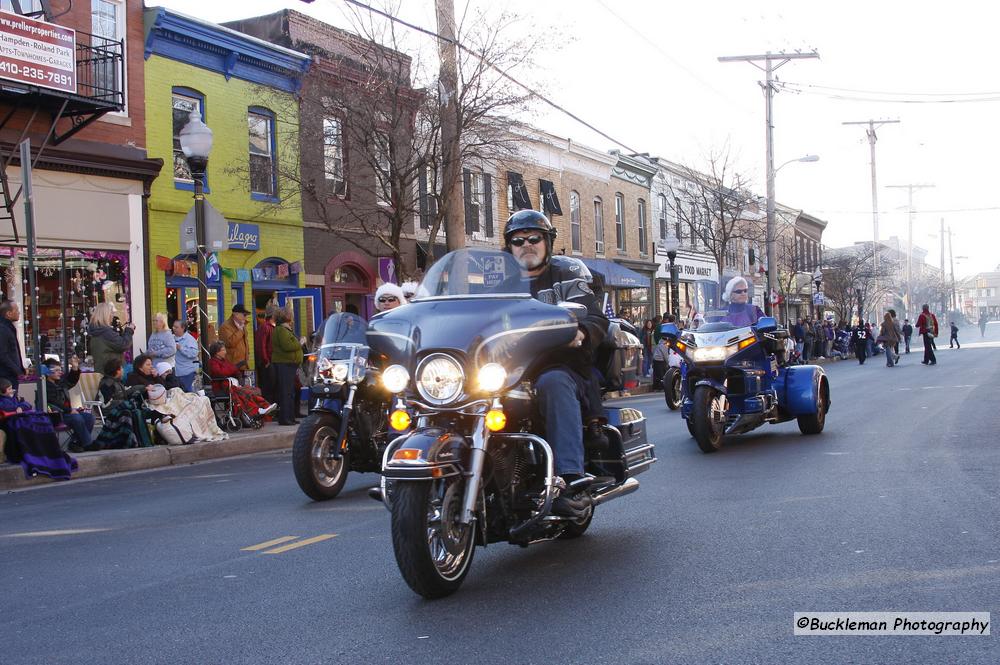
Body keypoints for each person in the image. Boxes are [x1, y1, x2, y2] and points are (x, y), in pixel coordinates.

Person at [503, 210, 609, 518]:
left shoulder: (566, 276)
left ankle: (571, 477)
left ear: (547, 242)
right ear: (509, 247)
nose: (527, 245)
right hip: (507, 370)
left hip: (562, 365)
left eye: (534, 239)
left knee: (553, 383)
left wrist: (581, 330)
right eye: (518, 240)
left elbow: (594, 316)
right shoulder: (496, 283)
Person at [207, 341, 277, 420]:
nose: (225, 352)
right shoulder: (212, 362)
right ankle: (258, 410)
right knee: (245, 393)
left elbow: (232, 370)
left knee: (252, 391)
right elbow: (221, 372)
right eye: (223, 350)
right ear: (217, 352)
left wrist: (238, 375)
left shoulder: (224, 361)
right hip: (222, 387)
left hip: (230, 385)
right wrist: (235, 367)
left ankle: (265, 407)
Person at [95, 358, 152, 450]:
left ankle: (139, 440)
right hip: (110, 410)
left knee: (139, 410)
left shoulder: (117, 382)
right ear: (117, 370)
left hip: (118, 408)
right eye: (121, 368)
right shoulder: (107, 384)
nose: (123, 370)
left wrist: (143, 388)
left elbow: (127, 391)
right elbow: (105, 404)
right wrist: (124, 403)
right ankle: (128, 441)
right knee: (129, 412)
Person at [42, 357, 97, 452]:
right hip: (57, 415)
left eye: (60, 369)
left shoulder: (59, 383)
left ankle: (75, 443)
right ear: (47, 372)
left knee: (89, 417)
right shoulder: (45, 386)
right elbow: (54, 402)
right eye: (56, 370)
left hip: (68, 413)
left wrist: (75, 368)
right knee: (77, 418)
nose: (60, 372)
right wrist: (70, 410)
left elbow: (71, 381)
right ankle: (88, 444)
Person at [271, 309, 303, 426]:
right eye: (291, 316)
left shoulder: (285, 329)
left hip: (290, 364)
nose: (293, 318)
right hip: (284, 364)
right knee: (286, 392)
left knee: (290, 392)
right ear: (287, 317)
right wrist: (300, 342)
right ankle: (285, 418)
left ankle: (291, 416)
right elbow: (287, 346)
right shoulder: (281, 330)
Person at [89, 302, 134, 379]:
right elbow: (124, 344)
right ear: (106, 315)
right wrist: (129, 331)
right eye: (111, 313)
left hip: (101, 371)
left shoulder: (94, 331)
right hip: (113, 373)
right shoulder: (106, 332)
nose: (112, 316)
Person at [0, 300, 25, 395]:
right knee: (9, 404)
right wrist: (16, 369)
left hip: (9, 374)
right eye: (17, 310)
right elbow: (2, 354)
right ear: (9, 314)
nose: (19, 312)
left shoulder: (8, 328)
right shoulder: (3, 329)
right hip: (6, 376)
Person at [218, 304, 251, 370]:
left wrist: (247, 354)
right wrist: (240, 330)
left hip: (243, 364)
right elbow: (230, 343)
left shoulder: (242, 325)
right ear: (236, 314)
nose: (246, 317)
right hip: (232, 365)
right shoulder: (225, 327)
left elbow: (244, 342)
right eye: (244, 315)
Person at [254, 305, 276, 404]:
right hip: (267, 363)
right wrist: (266, 361)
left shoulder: (272, 327)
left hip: (272, 361)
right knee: (268, 388)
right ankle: (268, 410)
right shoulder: (265, 327)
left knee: (272, 387)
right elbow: (261, 345)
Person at [172, 319, 199, 392]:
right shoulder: (171, 338)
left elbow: (194, 353)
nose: (174, 328)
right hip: (175, 372)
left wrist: (181, 348)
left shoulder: (190, 339)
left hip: (187, 372)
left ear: (183, 328)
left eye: (176, 327)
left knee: (187, 393)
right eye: (173, 326)